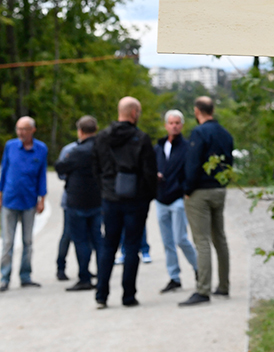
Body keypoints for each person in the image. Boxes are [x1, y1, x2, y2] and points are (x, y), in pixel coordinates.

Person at [93, 97, 158, 309]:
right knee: (131, 247)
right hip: (135, 200)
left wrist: (105, 190)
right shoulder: (141, 138)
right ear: (134, 113)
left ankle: (101, 294)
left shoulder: (102, 137)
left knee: (108, 246)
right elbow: (149, 172)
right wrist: (149, 196)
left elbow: (96, 168)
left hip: (110, 199)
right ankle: (128, 295)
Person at [179, 96, 234, 307]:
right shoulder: (225, 133)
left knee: (201, 241)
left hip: (200, 191)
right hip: (219, 189)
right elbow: (230, 161)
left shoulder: (199, 133)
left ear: (196, 111)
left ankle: (202, 289)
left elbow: (192, 163)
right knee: (219, 237)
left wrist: (187, 189)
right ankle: (223, 285)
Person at [54, 116, 102, 291]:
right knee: (97, 239)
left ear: (80, 131)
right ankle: (102, 274)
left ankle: (84, 276)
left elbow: (60, 167)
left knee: (80, 240)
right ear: (95, 129)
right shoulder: (101, 148)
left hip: (77, 201)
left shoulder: (76, 151)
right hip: (97, 200)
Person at [0, 116, 47, 291]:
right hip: (10, 199)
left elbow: (42, 174)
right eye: (19, 129)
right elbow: (3, 170)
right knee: (8, 241)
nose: (21, 133)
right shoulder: (11, 146)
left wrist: (42, 199)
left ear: (32, 130)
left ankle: (25, 276)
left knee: (28, 241)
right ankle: (4, 277)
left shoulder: (41, 149)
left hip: (29, 200)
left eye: (25, 129)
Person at [154, 109, 198, 294]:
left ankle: (199, 269)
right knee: (167, 241)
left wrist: (186, 189)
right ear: (166, 125)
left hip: (178, 197)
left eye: (177, 123)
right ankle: (174, 277)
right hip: (161, 198)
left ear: (182, 125)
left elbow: (191, 170)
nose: (174, 126)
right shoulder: (159, 147)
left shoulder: (187, 147)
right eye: (171, 123)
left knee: (181, 238)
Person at [56, 139, 78, 281]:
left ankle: (84, 268)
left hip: (90, 200)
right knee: (68, 234)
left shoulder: (96, 147)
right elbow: (61, 173)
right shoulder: (69, 149)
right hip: (70, 199)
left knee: (87, 237)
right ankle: (60, 267)